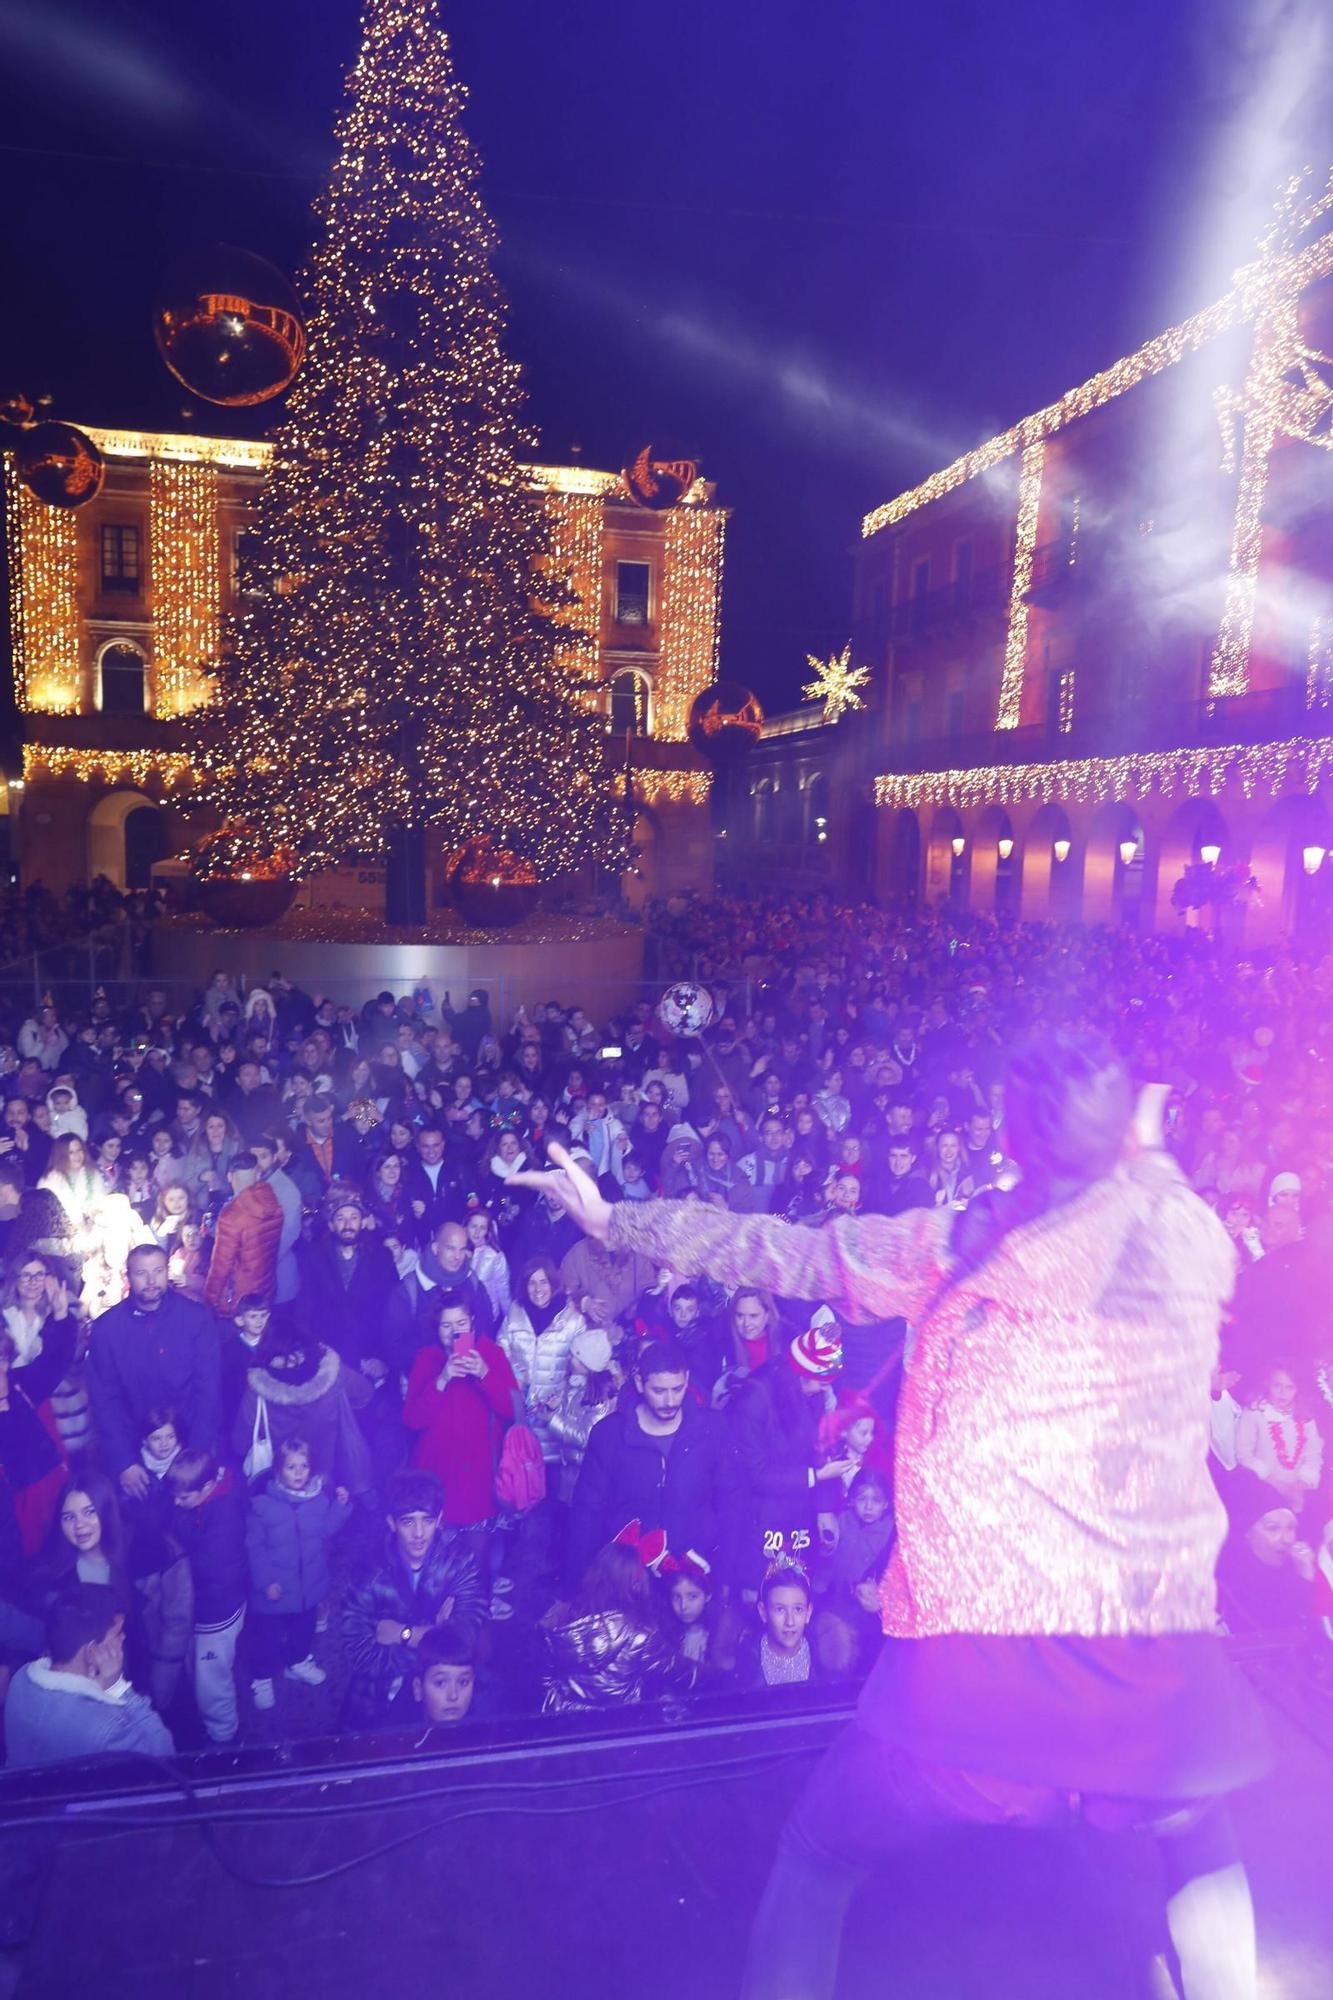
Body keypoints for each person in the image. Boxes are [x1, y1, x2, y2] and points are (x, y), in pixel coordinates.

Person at [512, 1040, 1269, 2000]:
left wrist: (615, 1216)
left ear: (1007, 1138)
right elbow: (1154, 1193)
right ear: (1121, 1134)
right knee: (1194, 1836)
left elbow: (776, 1251)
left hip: (980, 1679)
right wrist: (1146, 1151)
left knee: (819, 1853)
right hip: (1155, 1670)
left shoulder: (960, 1248)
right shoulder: (1187, 1231)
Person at [565, 1336, 742, 1603]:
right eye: (659, 1391)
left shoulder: (712, 1429)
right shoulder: (609, 1435)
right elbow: (587, 1513)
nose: (670, 1400)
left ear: (687, 1380)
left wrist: (727, 1576)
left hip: (693, 1577)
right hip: (629, 1581)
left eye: (678, 1389)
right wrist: (576, 1585)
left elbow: (731, 1504)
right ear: (639, 1383)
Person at [340, 1469, 486, 1730]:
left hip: (443, 1692)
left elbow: (469, 1633)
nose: (419, 1533)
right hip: (380, 1696)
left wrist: (404, 1635)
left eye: (427, 1521)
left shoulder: (459, 1561)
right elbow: (358, 1651)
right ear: (392, 1523)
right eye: (408, 1522)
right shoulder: (368, 1572)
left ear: (439, 1519)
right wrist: (437, 1634)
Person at [85, 1244, 221, 1501]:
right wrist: (124, 1461)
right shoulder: (107, 1329)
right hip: (136, 1454)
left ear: (166, 1271)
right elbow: (104, 1400)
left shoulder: (196, 1318)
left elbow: (208, 1390)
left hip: (188, 1443)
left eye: (158, 1271)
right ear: (128, 1276)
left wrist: (199, 1452)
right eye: (141, 1273)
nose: (151, 1280)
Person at [403, 1290, 517, 1572]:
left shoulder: (491, 1353)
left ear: (473, 1323)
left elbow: (512, 1410)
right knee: (435, 1563)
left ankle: (477, 1607)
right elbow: (412, 1420)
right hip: (437, 1479)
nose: (455, 1332)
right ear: (437, 1328)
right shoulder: (426, 1359)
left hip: (479, 1481)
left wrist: (485, 1374)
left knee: (475, 1563)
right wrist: (441, 1380)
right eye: (446, 1325)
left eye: (461, 1324)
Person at [4, 1584, 174, 1767]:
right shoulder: (108, 1728)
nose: (124, 1638)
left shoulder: (20, 1680)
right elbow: (164, 1756)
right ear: (93, 1651)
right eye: (118, 1634)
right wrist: (118, 1688)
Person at [245, 1437, 351, 1711]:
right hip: (275, 1588)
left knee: (303, 1630)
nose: (299, 1473)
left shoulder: (317, 1499)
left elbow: (327, 1529)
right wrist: (266, 1581)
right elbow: (254, 1547)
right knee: (267, 1638)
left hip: (308, 1586)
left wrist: (339, 1507)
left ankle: (297, 1661)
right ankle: (262, 1676)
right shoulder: (263, 1505)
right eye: (291, 1467)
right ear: (279, 1469)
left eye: (303, 1466)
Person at [542, 1538, 697, 1715]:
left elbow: (545, 1679)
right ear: (636, 1585)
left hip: (566, 1724)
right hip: (617, 1726)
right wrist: (720, 1676)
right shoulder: (640, 1636)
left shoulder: (556, 1619)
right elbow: (681, 1672)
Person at [167, 1448, 247, 1747]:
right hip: (212, 1606)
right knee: (209, 1671)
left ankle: (224, 1737)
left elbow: (204, 1567)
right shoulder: (207, 1501)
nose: (176, 1502)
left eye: (183, 1498)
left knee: (210, 1680)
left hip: (215, 1611)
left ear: (208, 1487)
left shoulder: (221, 1519)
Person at [1234, 1361, 1323, 1516]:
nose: (1283, 1393)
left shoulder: (1305, 1416)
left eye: (1290, 1387)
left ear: (1298, 1389)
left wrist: (1299, 1487)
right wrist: (1276, 1483)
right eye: (1277, 1385)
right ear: (1267, 1384)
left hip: (1299, 1490)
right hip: (1263, 1488)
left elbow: (1313, 1455)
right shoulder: (1254, 1412)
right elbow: (1244, 1454)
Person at [201, 1152, 283, 1317]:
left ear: (230, 1176)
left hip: (240, 1299)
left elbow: (221, 1267)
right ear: (258, 1173)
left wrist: (209, 1300)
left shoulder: (232, 1215)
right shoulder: (274, 1204)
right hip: (266, 1289)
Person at [734, 1560, 824, 1691]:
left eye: (798, 1609)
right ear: (763, 1612)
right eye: (780, 1609)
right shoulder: (746, 1660)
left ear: (808, 1612)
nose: (790, 1622)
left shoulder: (822, 1658)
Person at [412, 1621, 482, 1732]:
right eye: (441, 1683)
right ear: (418, 1689)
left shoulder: (492, 1738)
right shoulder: (399, 1743)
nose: (453, 1695)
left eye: (463, 1682)